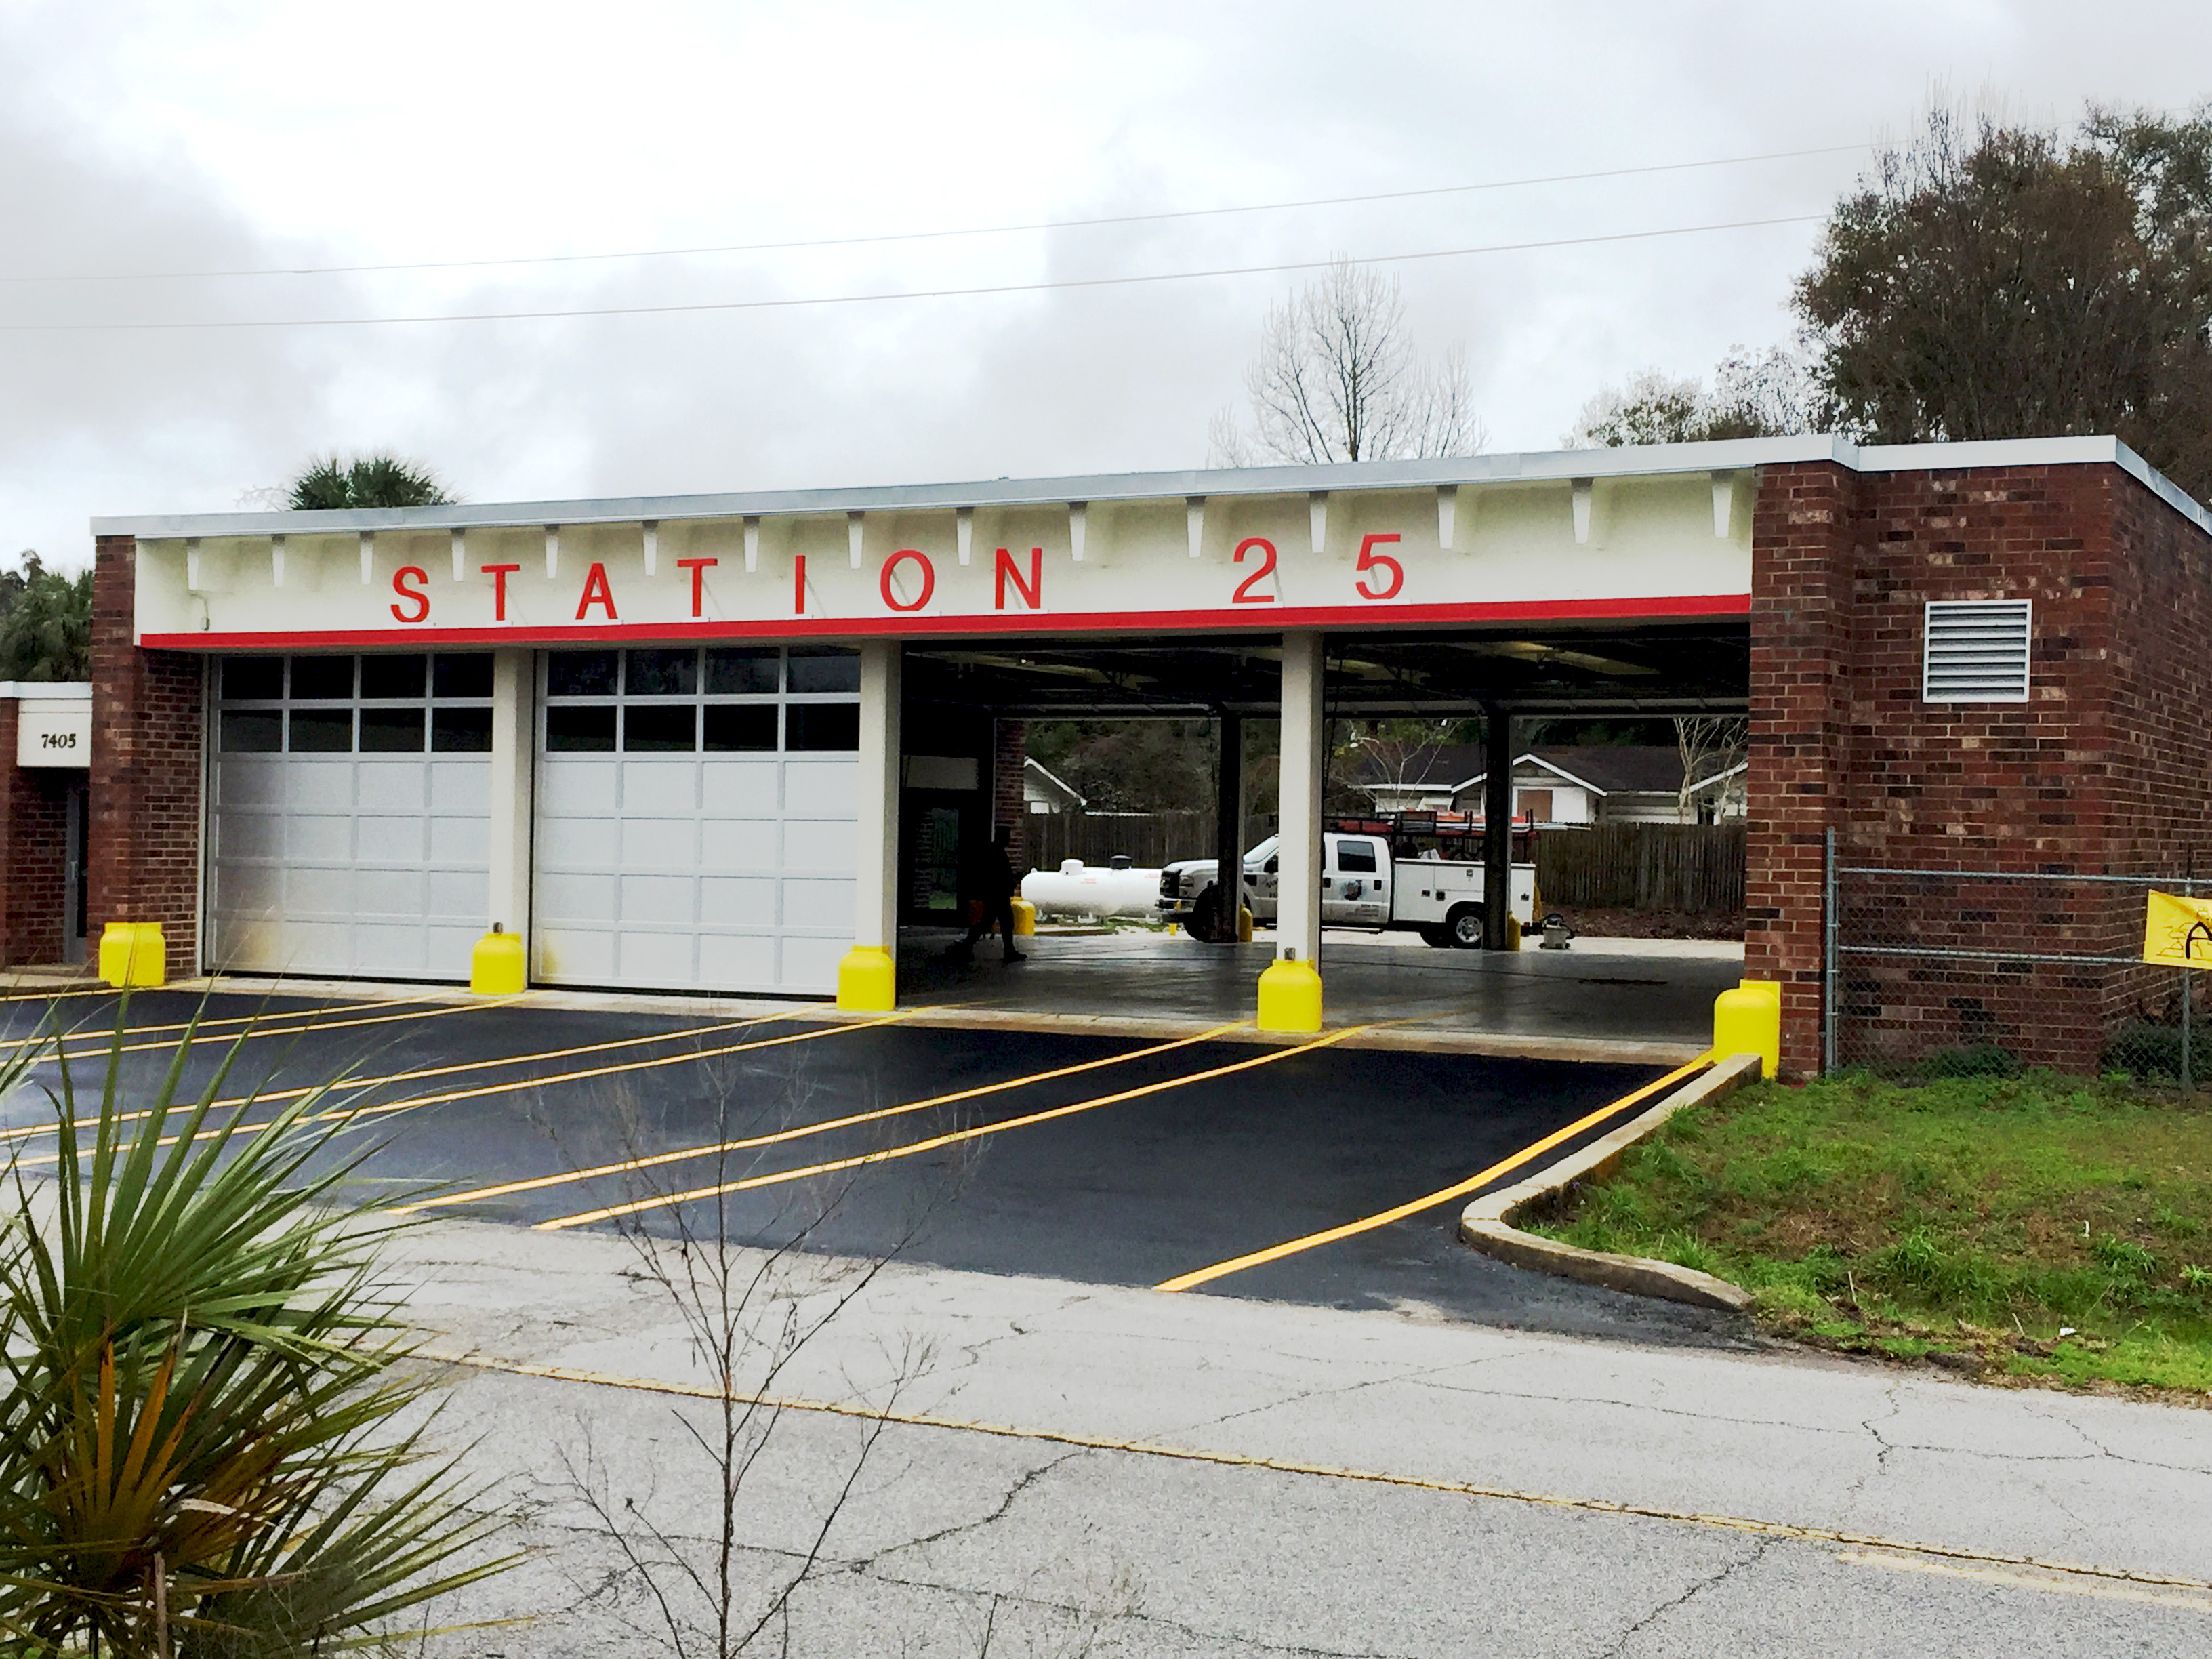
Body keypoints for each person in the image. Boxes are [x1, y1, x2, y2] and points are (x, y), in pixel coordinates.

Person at [952, 824, 1025, 963]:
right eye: (1008, 837)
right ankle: (1007, 951)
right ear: (1002, 837)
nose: (1009, 840)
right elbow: (998, 875)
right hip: (998, 894)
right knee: (1004, 923)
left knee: (989, 922)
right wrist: (1011, 880)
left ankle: (967, 946)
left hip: (995, 894)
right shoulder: (997, 852)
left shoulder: (995, 851)